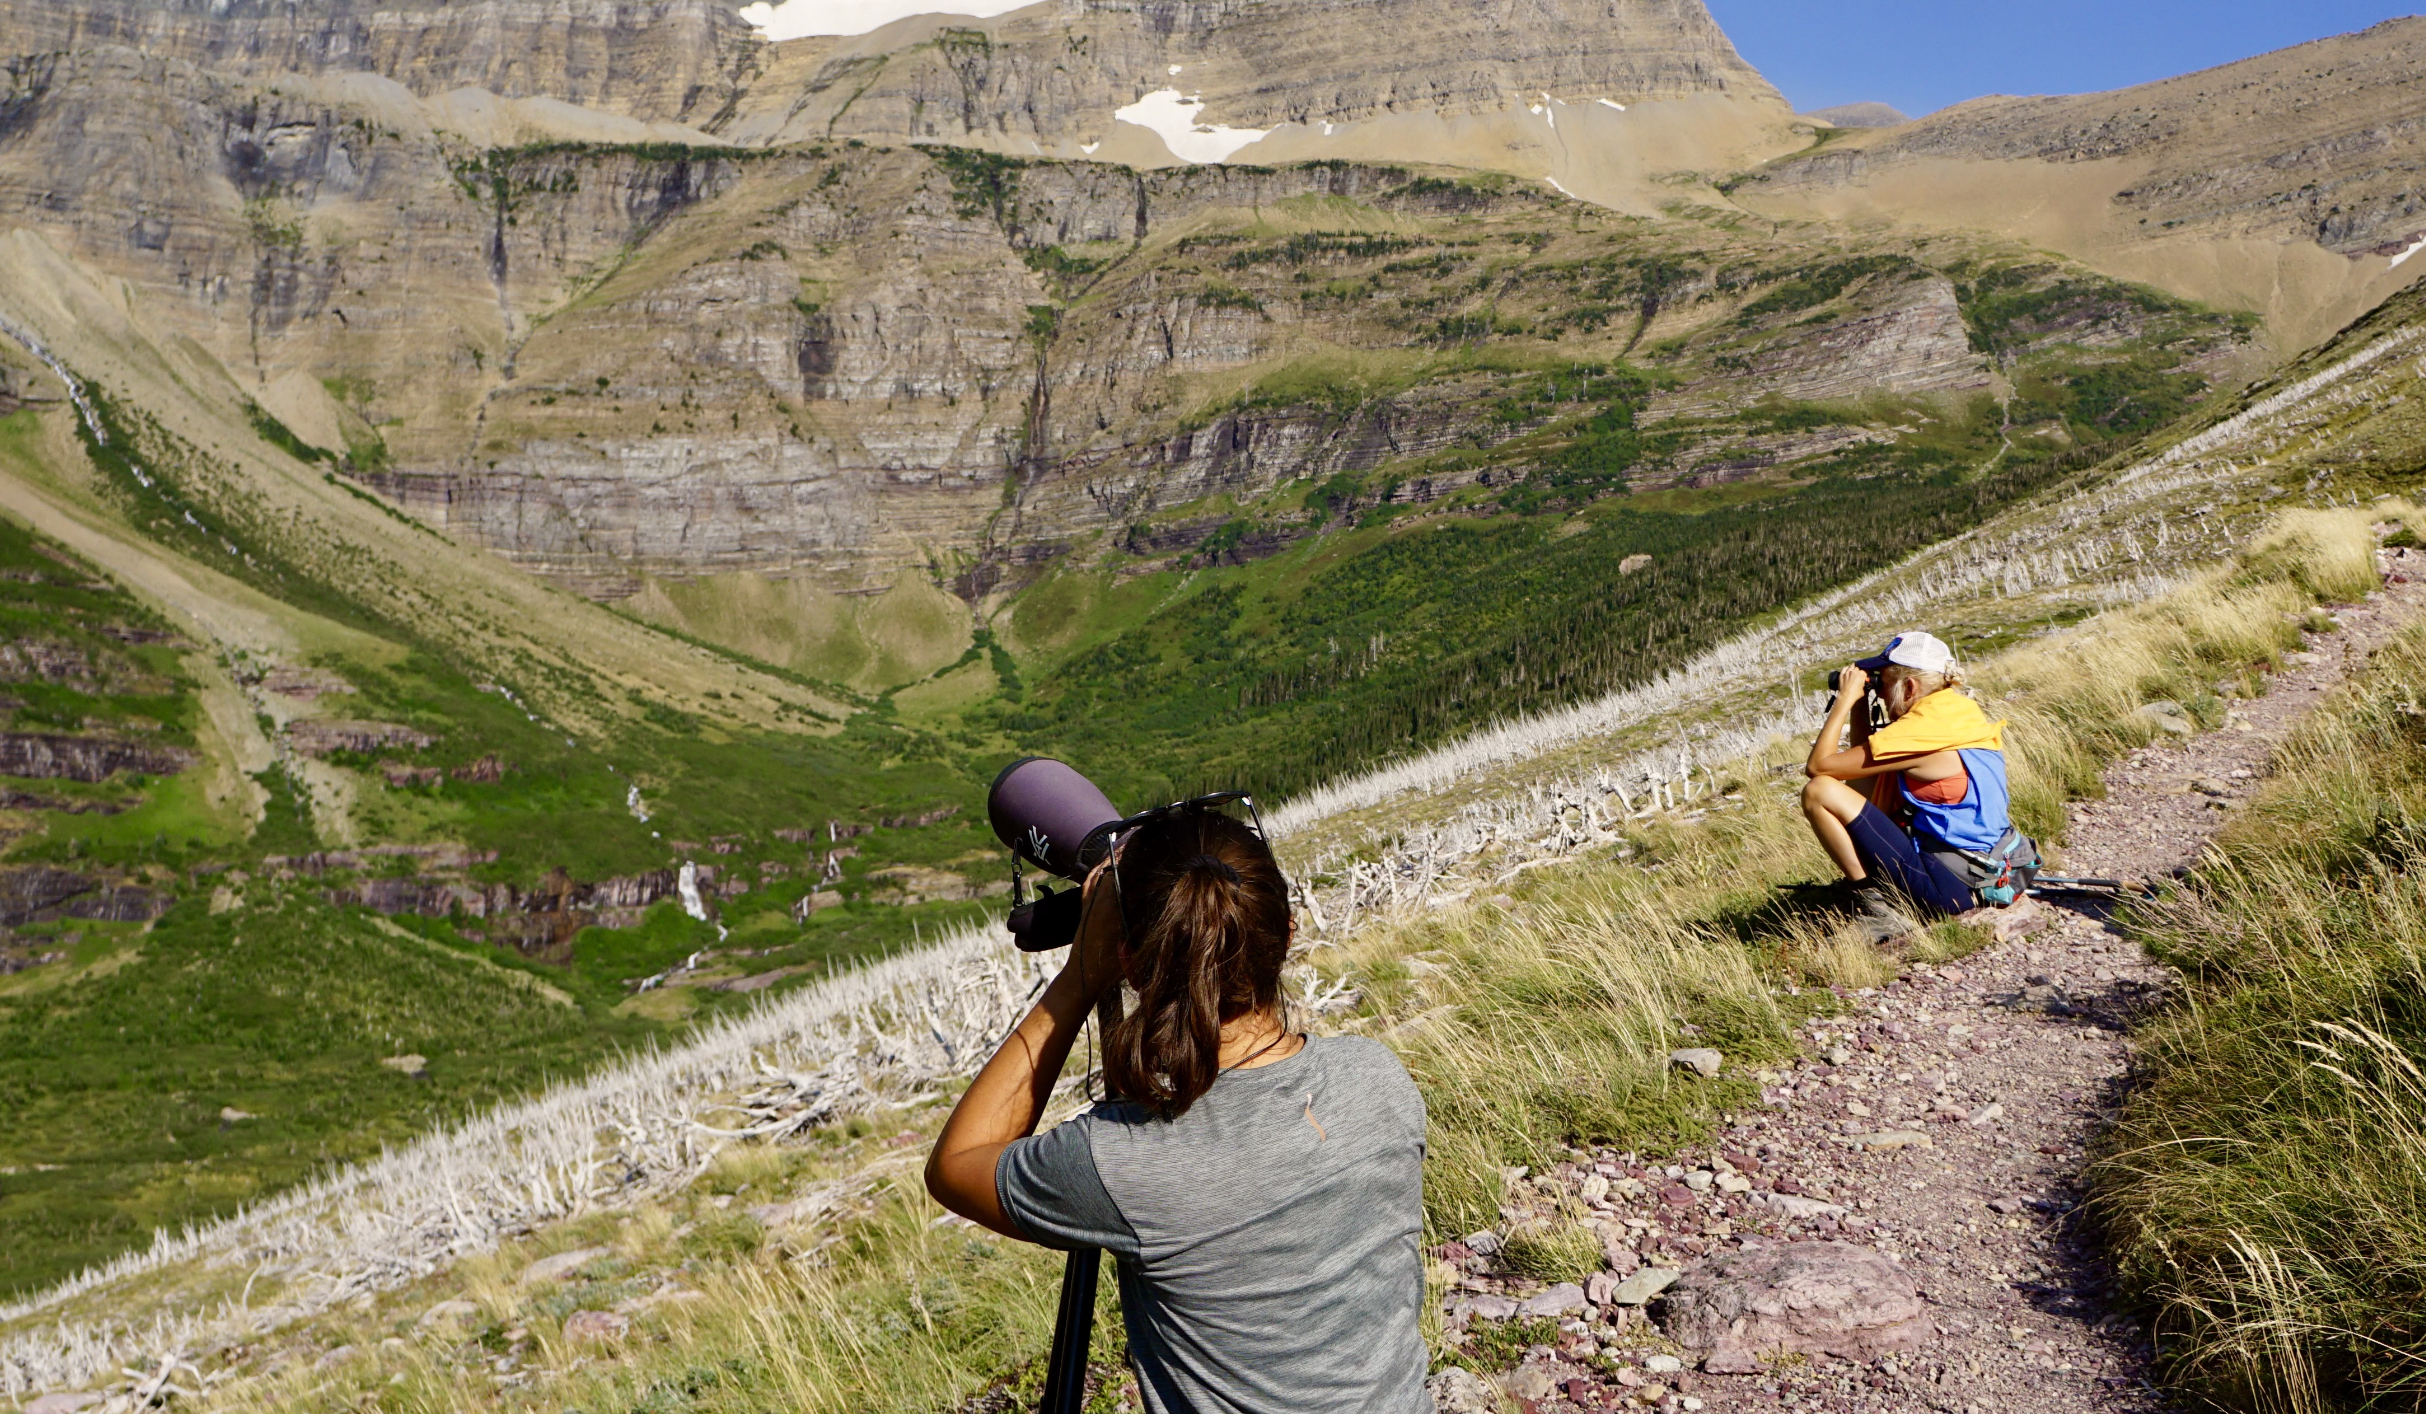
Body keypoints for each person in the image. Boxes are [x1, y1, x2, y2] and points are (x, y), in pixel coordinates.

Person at [925, 802, 1432, 1414]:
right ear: (1288, 933)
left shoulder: (1124, 1159)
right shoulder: (1379, 1077)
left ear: (1132, 963)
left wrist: (1079, 976)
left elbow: (955, 1164)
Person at [1802, 630, 2011, 929]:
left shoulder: (1918, 734)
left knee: (1818, 791)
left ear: (1909, 687)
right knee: (1856, 785)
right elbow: (1862, 781)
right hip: (1983, 868)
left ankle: (1879, 910)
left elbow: (1819, 767)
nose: (1882, 694)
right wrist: (1862, 706)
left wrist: (1845, 702)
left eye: (1884, 684)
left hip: (1949, 888)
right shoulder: (1955, 712)